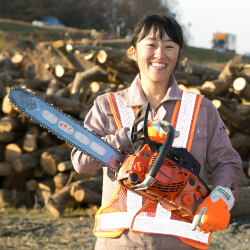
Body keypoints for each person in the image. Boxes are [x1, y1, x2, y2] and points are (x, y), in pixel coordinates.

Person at [71, 13, 242, 250]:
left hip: (181, 241)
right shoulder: (107, 105)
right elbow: (80, 161)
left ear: (179, 54)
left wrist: (220, 196)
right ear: (134, 51)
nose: (160, 54)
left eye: (169, 46)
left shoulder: (201, 109)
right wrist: (129, 135)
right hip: (121, 241)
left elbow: (228, 162)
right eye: (151, 45)